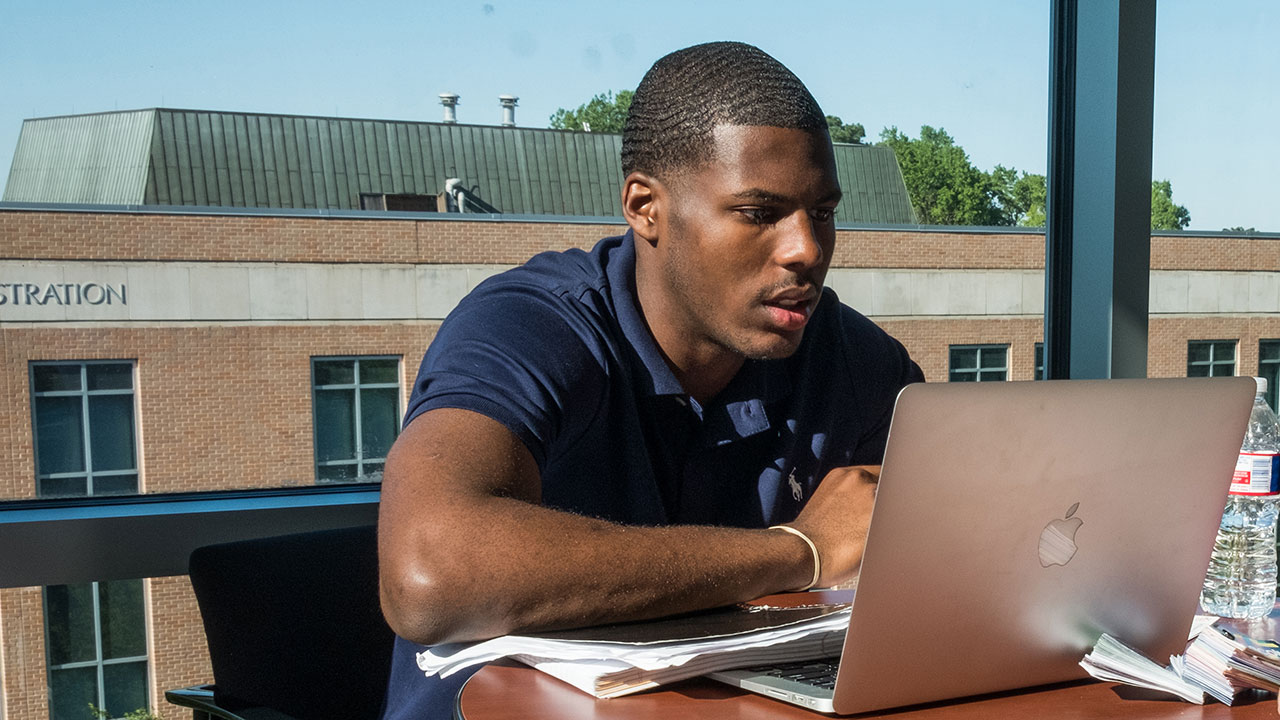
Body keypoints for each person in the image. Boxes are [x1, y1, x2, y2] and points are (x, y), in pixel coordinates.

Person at [377, 40, 924, 718]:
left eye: (822, 212)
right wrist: (798, 551)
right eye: (759, 213)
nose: (806, 250)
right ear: (645, 207)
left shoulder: (850, 356)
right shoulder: (529, 326)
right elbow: (429, 576)